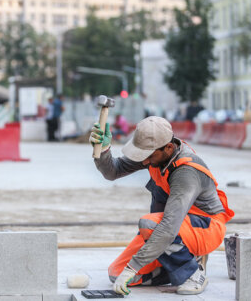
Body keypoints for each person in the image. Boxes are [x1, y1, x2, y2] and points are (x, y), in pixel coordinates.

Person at [89, 116, 234, 295]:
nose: (144, 162)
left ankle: (194, 274)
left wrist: (132, 268)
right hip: (176, 228)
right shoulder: (154, 154)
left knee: (148, 225)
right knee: (116, 272)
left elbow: (168, 228)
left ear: (169, 147)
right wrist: (103, 150)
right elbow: (113, 171)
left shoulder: (186, 171)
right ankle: (175, 269)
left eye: (148, 156)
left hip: (205, 227)